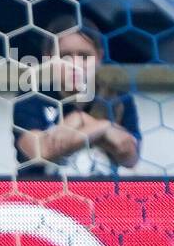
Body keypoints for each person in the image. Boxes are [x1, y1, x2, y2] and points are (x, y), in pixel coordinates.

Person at [14, 19, 140, 175]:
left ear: (99, 57)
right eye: (65, 56)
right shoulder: (33, 98)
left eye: (85, 56)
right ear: (48, 58)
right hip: (42, 195)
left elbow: (129, 155)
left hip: (101, 195)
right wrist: (102, 131)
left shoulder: (117, 98)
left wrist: (85, 121)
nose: (75, 64)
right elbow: (40, 152)